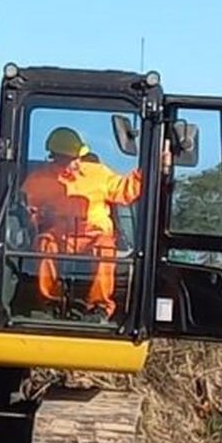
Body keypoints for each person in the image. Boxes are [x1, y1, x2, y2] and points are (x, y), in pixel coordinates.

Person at [19, 127, 145, 321]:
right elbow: (23, 211)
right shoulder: (38, 180)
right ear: (55, 157)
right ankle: (50, 302)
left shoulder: (99, 173)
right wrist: (37, 216)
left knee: (105, 246)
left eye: (79, 158)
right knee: (44, 243)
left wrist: (151, 169)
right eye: (71, 159)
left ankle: (98, 307)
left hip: (93, 236)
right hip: (59, 236)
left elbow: (126, 190)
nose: (77, 163)